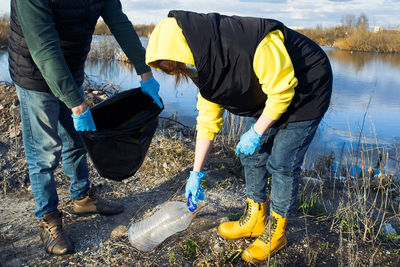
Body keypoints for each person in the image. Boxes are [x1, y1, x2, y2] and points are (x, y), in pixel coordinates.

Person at [145, 10, 332, 263]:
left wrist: (257, 130)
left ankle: (276, 233)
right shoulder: (205, 63)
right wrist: (196, 172)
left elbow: (281, 92)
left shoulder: (252, 44)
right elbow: (208, 120)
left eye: (180, 67)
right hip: (272, 93)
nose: (185, 72)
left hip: (307, 86)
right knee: (253, 155)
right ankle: (255, 218)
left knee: (282, 163)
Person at [8, 0, 162, 255]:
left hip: (71, 67)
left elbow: (120, 23)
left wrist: (145, 71)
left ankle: (82, 197)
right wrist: (77, 105)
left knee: (77, 140)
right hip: (34, 72)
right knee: (45, 151)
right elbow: (44, 48)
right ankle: (48, 217)